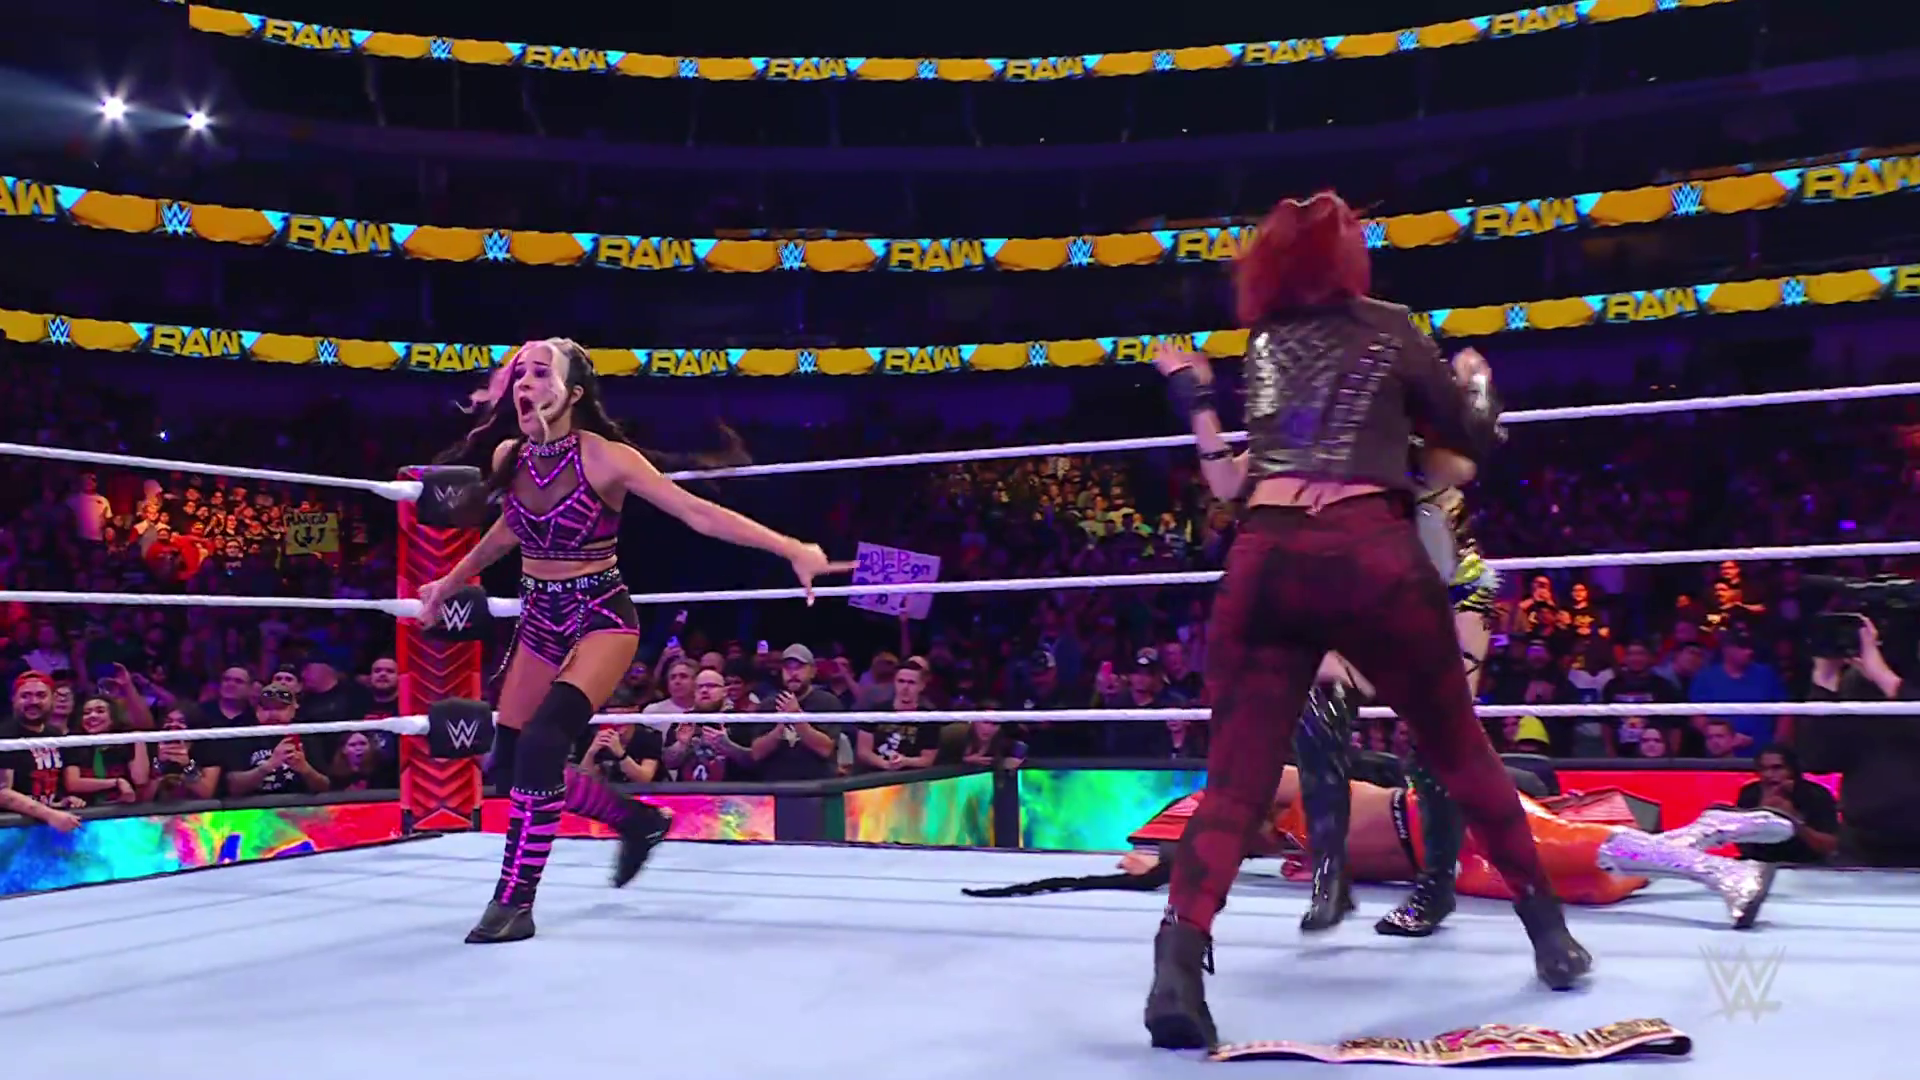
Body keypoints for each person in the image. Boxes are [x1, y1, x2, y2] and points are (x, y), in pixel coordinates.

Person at [1144, 189, 1585, 1050]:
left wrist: (1193, 397)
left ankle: (1177, 964)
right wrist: (1476, 385)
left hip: (1266, 557)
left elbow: (1239, 480)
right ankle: (1550, 935)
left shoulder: (1264, 342)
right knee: (1458, 749)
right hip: (1367, 553)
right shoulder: (1391, 326)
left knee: (1234, 783)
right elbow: (1464, 448)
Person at [420, 338, 851, 944]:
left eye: (541, 374)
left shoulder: (606, 457)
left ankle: (514, 900)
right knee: (512, 767)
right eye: (520, 375)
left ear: (572, 393)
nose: (525, 384)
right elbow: (508, 530)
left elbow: (696, 513)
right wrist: (448, 582)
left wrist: (791, 549)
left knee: (544, 742)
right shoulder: (510, 456)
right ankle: (635, 820)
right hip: (540, 618)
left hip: (600, 615)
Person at [964, 765, 1791, 930]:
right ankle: (1708, 831)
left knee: (1569, 849)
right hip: (1449, 869)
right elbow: (1227, 844)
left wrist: (1180, 845)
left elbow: (1233, 802)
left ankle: (1721, 873)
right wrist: (1163, 862)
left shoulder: (1286, 783)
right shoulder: (1278, 847)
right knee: (1586, 884)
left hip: (1436, 817)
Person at [1293, 475, 1499, 938]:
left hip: (1441, 638)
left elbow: (1462, 672)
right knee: (1317, 710)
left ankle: (1436, 888)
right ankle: (1331, 876)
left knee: (1440, 735)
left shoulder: (1468, 578)